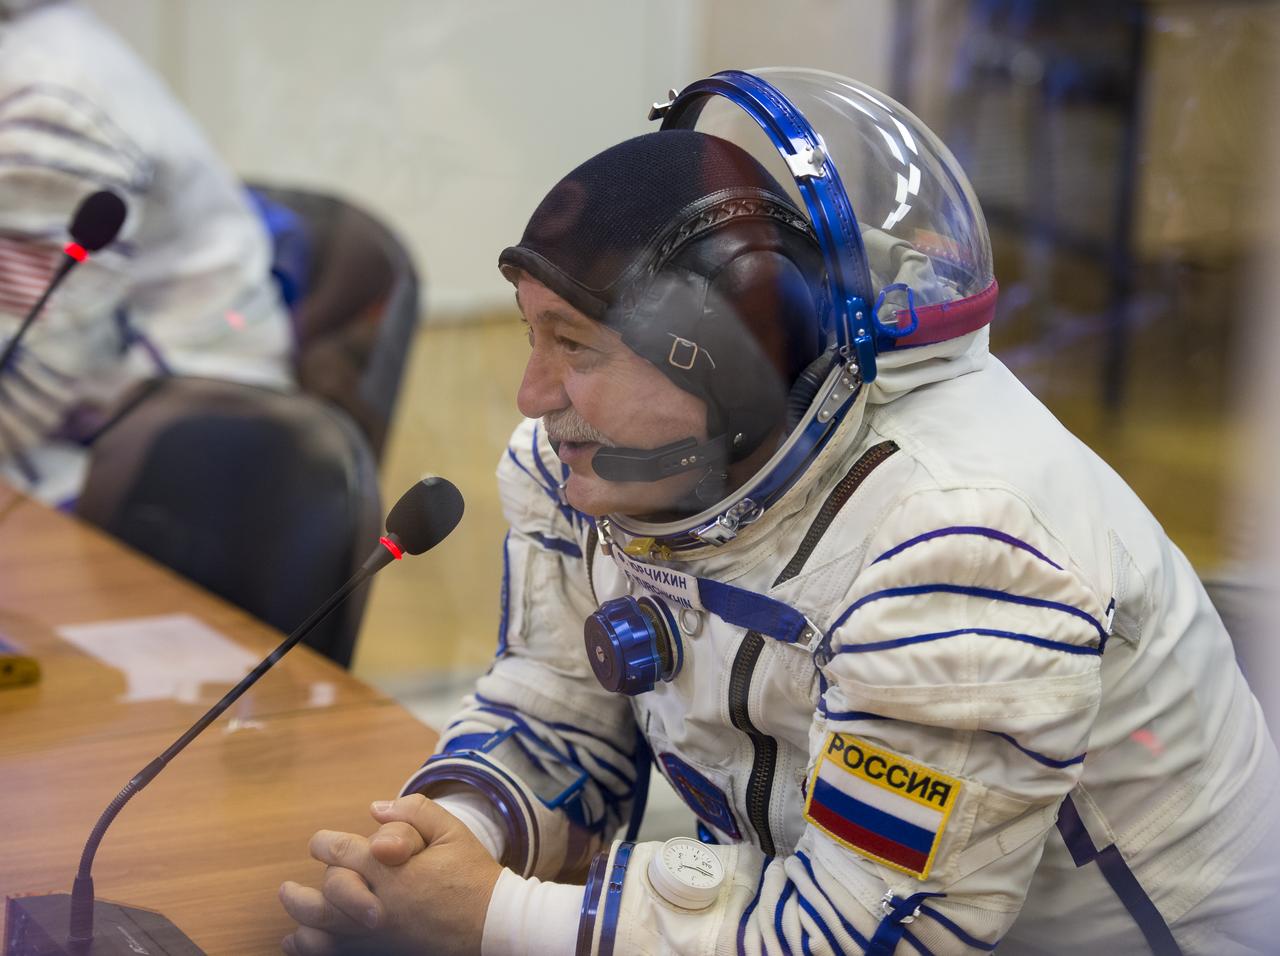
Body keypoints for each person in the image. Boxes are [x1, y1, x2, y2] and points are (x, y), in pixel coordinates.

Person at [279, 69, 1280, 955]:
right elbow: (554, 712)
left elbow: (857, 935)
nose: (532, 396)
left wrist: (491, 918)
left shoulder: (962, 549)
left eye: (575, 346)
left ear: (722, 359)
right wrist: (452, 834)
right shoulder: (587, 466)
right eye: (531, 336)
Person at [0, 0, 294, 505]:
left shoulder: (47, 106)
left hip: (170, 438)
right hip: (100, 395)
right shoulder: (42, 37)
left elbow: (28, 378)